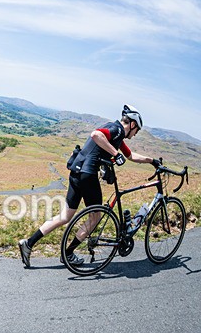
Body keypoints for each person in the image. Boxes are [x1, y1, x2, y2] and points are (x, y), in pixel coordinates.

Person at [18, 105, 160, 268]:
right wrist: (115, 155)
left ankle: (28, 243)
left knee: (65, 217)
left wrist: (152, 160)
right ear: (133, 125)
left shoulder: (116, 135)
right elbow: (96, 135)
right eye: (137, 131)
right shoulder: (117, 130)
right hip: (87, 175)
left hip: (76, 173)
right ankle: (68, 253)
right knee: (95, 217)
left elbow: (130, 156)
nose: (135, 135)